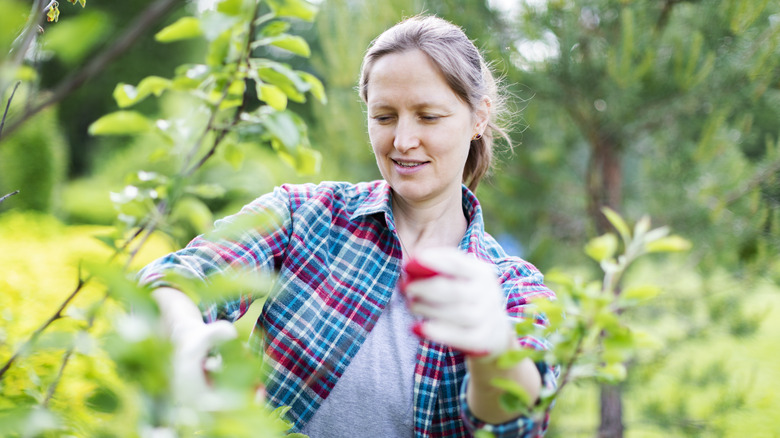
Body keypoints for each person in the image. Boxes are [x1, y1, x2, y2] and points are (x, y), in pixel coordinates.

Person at [139, 15, 557, 438]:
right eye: (384, 116)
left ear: (478, 117)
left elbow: (517, 421)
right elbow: (174, 279)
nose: (403, 140)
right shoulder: (306, 216)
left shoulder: (512, 287)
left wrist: (494, 343)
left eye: (429, 117)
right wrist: (191, 341)